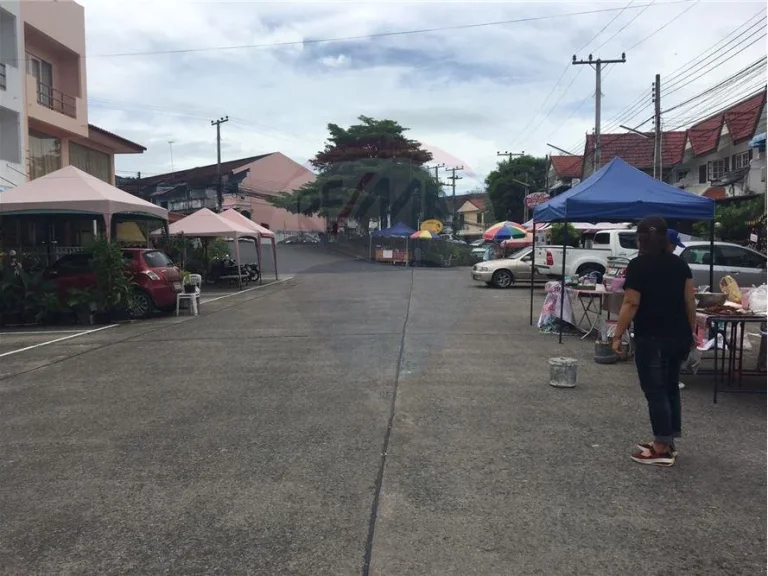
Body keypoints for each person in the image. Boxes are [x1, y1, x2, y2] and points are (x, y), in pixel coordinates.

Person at [612, 216, 697, 467]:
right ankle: (668, 440)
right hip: (679, 335)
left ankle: (660, 447)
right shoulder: (680, 265)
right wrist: (690, 332)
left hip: (652, 336)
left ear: (640, 238)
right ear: (664, 238)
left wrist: (617, 335)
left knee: (655, 391)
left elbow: (631, 303)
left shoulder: (638, 265)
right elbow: (689, 301)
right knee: (670, 387)